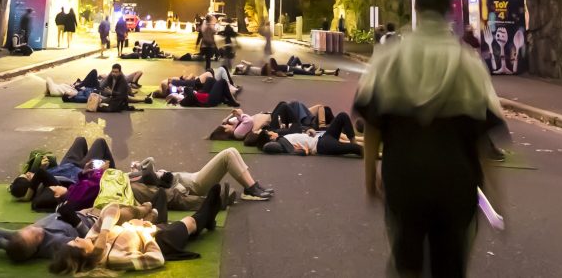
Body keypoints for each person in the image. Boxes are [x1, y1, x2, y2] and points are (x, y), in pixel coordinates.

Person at [355, 0, 507, 278]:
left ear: (417, 9)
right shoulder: (469, 63)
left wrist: (369, 178)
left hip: (404, 179)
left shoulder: (389, 58)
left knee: (406, 262)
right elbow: (483, 138)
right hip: (456, 183)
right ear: (450, 11)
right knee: (449, 266)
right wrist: (498, 198)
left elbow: (372, 127)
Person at [48, 185, 224, 273]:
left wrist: (104, 233)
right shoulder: (116, 259)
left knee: (160, 195)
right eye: (76, 244)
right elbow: (156, 259)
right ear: (83, 256)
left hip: (144, 224)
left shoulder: (92, 237)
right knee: (192, 222)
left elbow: (112, 208)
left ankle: (204, 218)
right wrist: (144, 232)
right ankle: (207, 214)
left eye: (74, 239)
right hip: (159, 239)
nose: (77, 238)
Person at [134, 147, 273, 202]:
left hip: (195, 176)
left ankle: (252, 186)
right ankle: (251, 189)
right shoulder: (158, 187)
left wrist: (160, 173)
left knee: (232, 150)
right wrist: (166, 178)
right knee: (228, 155)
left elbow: (148, 164)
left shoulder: (150, 179)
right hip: (197, 184)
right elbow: (181, 194)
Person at [249, 112, 363, 157]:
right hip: (322, 145)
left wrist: (308, 131)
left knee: (342, 116)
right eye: (270, 133)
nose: (272, 132)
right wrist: (306, 151)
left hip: (322, 137)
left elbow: (301, 137)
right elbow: (297, 151)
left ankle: (354, 142)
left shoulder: (283, 138)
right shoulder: (281, 143)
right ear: (270, 138)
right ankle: (376, 155)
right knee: (354, 149)